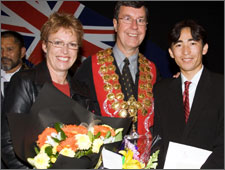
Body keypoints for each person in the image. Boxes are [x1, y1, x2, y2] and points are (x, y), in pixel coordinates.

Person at [1, 12, 89, 169]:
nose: (65, 51)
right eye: (58, 43)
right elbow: (8, 143)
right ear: (44, 46)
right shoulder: (25, 81)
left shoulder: (82, 90)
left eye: (72, 44)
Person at [73, 1, 160, 139]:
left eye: (140, 20)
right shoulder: (90, 66)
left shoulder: (153, 71)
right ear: (115, 24)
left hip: (145, 157)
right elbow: (76, 120)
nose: (134, 26)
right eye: (127, 19)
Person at [153, 19, 224, 168]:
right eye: (179, 45)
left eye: (192, 43)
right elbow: (158, 140)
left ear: (204, 48)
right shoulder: (161, 90)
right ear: (171, 53)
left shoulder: (221, 87)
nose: (186, 51)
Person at [1, 30, 32, 169]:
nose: (4, 55)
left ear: (22, 52)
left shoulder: (34, 82)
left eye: (9, 49)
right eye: (0, 49)